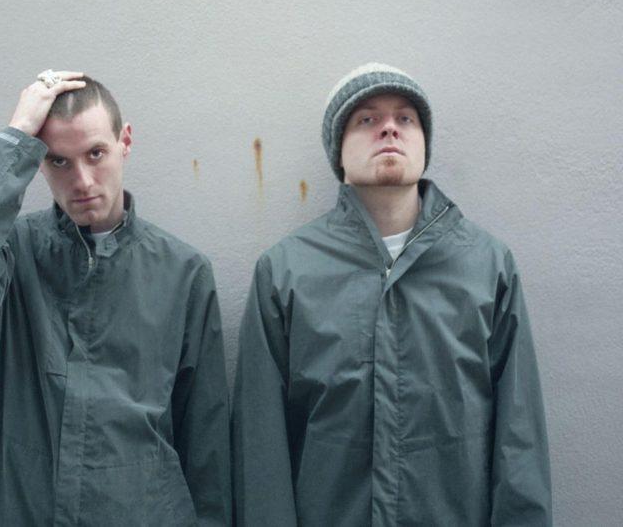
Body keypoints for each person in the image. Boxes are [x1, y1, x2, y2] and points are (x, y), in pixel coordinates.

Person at [231, 63, 551, 526]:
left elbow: (519, 439)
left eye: (405, 118)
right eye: (367, 118)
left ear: (424, 144)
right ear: (338, 152)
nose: (389, 128)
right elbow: (262, 448)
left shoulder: (487, 266)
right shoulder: (284, 273)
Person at [0, 70, 231, 526]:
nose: (82, 180)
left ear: (125, 141)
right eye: (59, 161)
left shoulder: (184, 271)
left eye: (95, 154)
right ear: (39, 162)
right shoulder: (9, 253)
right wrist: (17, 137)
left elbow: (206, 440)